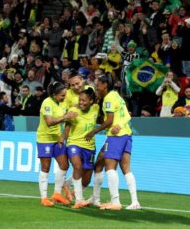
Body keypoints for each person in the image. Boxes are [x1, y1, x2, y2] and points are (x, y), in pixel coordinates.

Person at [85, 74, 141, 210]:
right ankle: (134, 201)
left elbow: (109, 121)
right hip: (126, 134)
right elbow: (127, 114)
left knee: (110, 167)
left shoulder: (109, 98)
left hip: (116, 136)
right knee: (100, 163)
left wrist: (94, 131)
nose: (96, 87)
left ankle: (115, 201)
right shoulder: (116, 96)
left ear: (105, 85)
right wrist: (121, 125)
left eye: (98, 84)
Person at [37, 81, 78, 207]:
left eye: (65, 95)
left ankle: (57, 194)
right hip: (45, 139)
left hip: (57, 139)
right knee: (46, 167)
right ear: (54, 94)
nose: (64, 97)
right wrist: (66, 116)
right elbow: (49, 122)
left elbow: (68, 120)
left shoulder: (63, 103)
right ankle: (44, 197)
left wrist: (63, 135)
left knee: (64, 165)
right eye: (62, 95)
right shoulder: (47, 103)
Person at [60, 89, 99, 209]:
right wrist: (62, 138)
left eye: (84, 100)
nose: (81, 102)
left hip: (89, 146)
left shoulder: (96, 108)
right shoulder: (73, 110)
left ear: (91, 101)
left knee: (86, 179)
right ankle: (79, 199)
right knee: (77, 166)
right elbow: (67, 127)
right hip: (74, 143)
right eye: (80, 100)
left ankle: (67, 184)